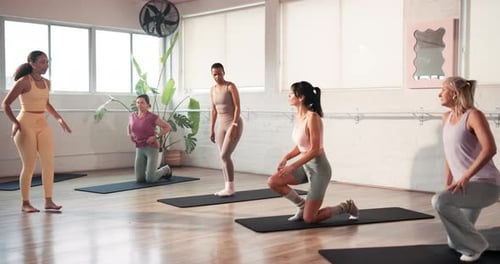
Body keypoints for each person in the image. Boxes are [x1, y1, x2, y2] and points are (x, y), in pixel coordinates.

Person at [267, 81, 358, 224]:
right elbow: (302, 146)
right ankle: (302, 206)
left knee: (310, 219)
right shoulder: (299, 117)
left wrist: (292, 166)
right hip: (305, 167)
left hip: (319, 170)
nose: (288, 96)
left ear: (301, 97)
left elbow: (315, 150)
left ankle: (346, 207)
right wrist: (287, 157)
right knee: (273, 181)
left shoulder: (313, 118)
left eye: (291, 94)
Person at [432, 76, 500, 262]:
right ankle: (486, 241)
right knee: (455, 243)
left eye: (443, 89)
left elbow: (490, 149)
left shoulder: (474, 115)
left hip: (486, 185)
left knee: (439, 201)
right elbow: (449, 153)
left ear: (454, 94)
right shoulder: (446, 118)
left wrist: (465, 177)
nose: (439, 94)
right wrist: (448, 181)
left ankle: (477, 246)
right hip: (467, 186)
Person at [1, 50, 72, 213]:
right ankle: (25, 203)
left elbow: (46, 104)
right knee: (29, 165)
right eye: (42, 62)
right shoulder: (24, 81)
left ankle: (49, 201)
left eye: (47, 62)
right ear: (31, 63)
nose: (45, 65)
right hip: (25, 123)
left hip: (42, 123)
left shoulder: (47, 82)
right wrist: (15, 122)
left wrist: (59, 119)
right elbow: (6, 104)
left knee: (49, 163)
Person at [209, 63, 243, 196]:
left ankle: (230, 188)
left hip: (233, 123)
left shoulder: (230, 86)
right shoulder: (212, 90)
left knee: (225, 155)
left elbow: (238, 107)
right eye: (214, 74)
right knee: (222, 157)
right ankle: (227, 187)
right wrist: (211, 129)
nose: (217, 76)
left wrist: (234, 125)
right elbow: (213, 110)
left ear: (224, 72)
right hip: (221, 125)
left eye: (219, 73)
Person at [128, 94, 173, 183]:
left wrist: (155, 136)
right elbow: (129, 127)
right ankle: (151, 172)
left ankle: (166, 170)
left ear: (148, 105)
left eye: (142, 103)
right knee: (139, 179)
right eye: (137, 102)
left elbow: (168, 127)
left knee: (150, 179)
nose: (139, 105)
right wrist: (130, 135)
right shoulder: (132, 116)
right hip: (139, 149)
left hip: (151, 148)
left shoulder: (152, 117)